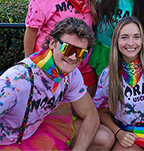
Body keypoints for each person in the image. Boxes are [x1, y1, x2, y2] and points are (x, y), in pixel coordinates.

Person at [0, 17, 114, 150]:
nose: (73, 57)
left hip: (37, 133)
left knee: (104, 137)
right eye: (67, 48)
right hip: (6, 144)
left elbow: (91, 116)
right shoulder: (16, 81)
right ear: (52, 42)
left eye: (80, 53)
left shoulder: (71, 74)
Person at [94, 16, 144, 151]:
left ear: (143, 40)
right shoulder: (107, 75)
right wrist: (118, 133)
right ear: (116, 41)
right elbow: (101, 111)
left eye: (136, 37)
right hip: (130, 139)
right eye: (124, 37)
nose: (131, 43)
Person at [24, 0, 98, 91]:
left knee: (85, 111)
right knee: (56, 114)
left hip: (83, 64)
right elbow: (31, 32)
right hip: (51, 68)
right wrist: (28, 65)